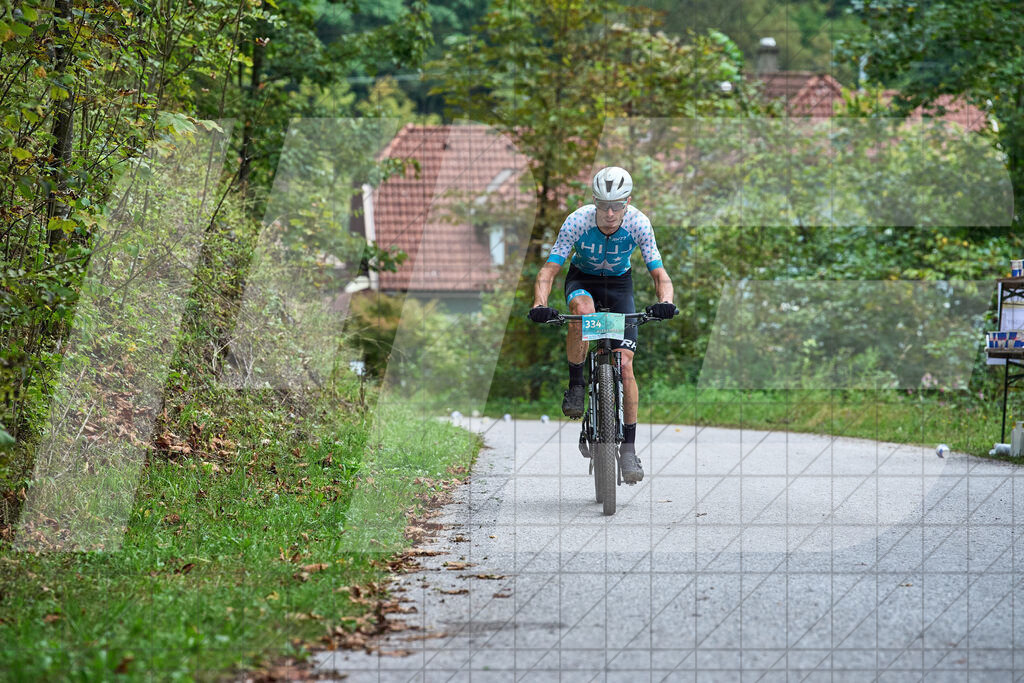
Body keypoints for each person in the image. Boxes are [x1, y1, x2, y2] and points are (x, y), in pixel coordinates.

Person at [529, 166, 677, 483]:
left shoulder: (638, 223)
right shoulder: (578, 221)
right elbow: (549, 270)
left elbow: (659, 273)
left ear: (628, 202)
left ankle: (628, 449)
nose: (610, 213)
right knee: (583, 310)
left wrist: (665, 301)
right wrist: (540, 304)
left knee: (624, 366)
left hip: (620, 287)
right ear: (594, 202)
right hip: (583, 281)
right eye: (604, 205)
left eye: (618, 205)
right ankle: (577, 385)